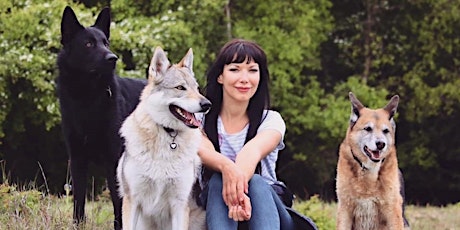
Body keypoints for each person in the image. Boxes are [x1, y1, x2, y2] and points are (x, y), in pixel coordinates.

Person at [197, 39, 308, 230]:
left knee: (256, 182)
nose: (244, 78)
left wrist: (235, 186)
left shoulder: (271, 120)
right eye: (234, 69)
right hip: (217, 210)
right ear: (220, 77)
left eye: (252, 70)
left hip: (269, 211)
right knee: (217, 180)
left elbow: (252, 151)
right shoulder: (199, 118)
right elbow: (201, 148)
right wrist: (226, 168)